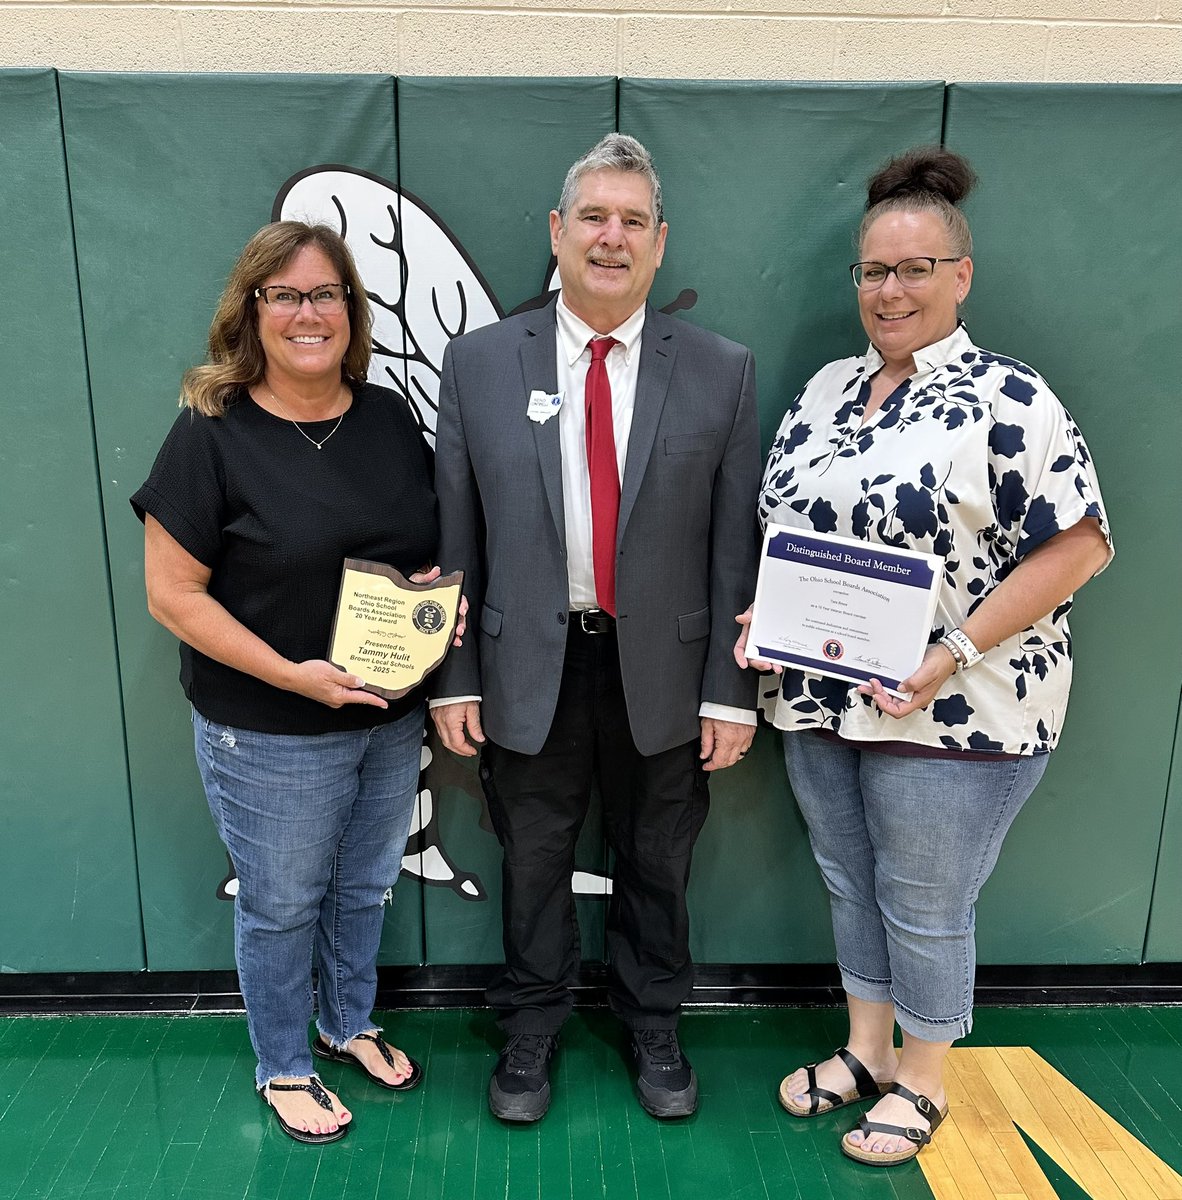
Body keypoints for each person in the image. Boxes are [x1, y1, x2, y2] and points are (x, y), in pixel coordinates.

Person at [735, 146, 1112, 1166]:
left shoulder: (1010, 397)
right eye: (873, 272)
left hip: (957, 704)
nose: (889, 291)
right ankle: (864, 1050)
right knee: (850, 880)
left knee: (924, 898)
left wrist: (949, 649)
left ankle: (924, 1078)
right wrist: (764, 622)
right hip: (821, 695)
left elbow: (1079, 545)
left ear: (960, 274)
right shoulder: (823, 391)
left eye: (913, 269)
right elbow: (784, 529)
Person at [431, 133, 761, 1122]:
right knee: (531, 856)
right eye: (592, 217)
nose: (610, 239)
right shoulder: (482, 362)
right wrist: (453, 675)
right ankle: (530, 1027)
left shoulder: (721, 369)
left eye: (631, 222)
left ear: (660, 244)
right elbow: (456, 528)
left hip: (663, 669)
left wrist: (729, 690)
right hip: (525, 661)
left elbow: (734, 545)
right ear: (557, 232)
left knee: (656, 855)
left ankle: (652, 1017)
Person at [133, 221, 461, 1145]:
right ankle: (284, 1063)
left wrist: (438, 606)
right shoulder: (210, 432)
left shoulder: (390, 416)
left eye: (326, 295)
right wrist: (292, 676)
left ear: (353, 313)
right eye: (285, 295)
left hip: (388, 717)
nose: (307, 313)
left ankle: (346, 1022)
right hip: (267, 728)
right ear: (252, 311)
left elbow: (416, 556)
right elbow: (172, 595)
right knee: (281, 906)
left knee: (362, 890)